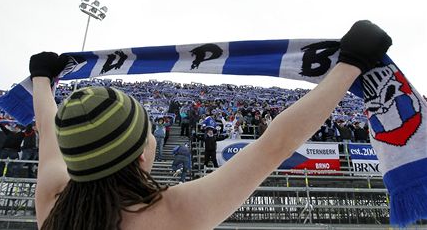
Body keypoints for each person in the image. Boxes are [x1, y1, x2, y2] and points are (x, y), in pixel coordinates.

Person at [31, 20, 391, 229]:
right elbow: (275, 143)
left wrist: (42, 81)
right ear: (142, 152)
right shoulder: (173, 212)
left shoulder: (52, 201)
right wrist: (351, 64)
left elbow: (48, 130)